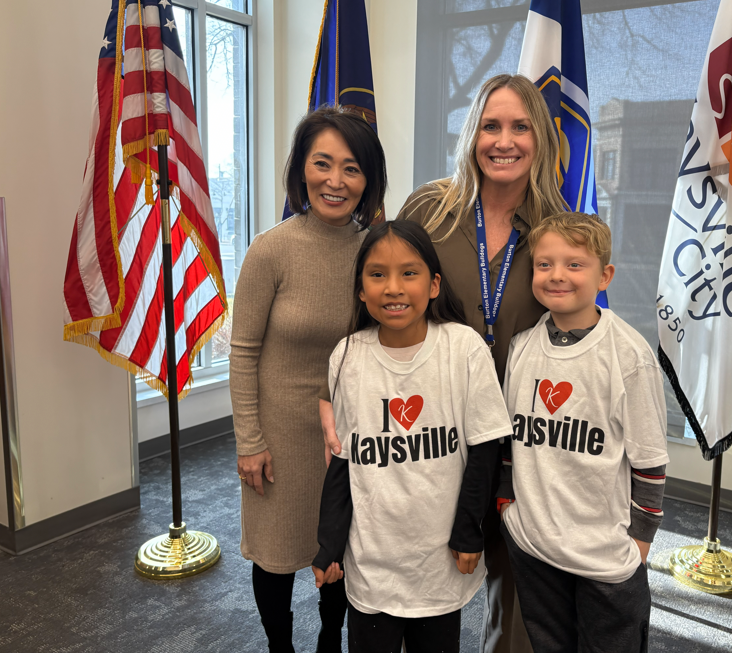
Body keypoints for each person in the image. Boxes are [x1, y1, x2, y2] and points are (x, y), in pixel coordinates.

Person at [321, 73, 565, 653]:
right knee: (429, 573)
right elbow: (381, 288)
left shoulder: (555, 226)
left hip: (528, 431)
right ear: (471, 135)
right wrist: (333, 394)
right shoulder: (432, 207)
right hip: (430, 437)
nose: (503, 141)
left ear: (540, 138)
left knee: (517, 591)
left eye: (520, 127)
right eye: (490, 125)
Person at [312, 220, 512, 653]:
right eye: (377, 274)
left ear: (434, 284)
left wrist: (468, 533)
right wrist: (329, 543)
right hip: (372, 563)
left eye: (410, 273)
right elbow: (344, 463)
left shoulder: (463, 349)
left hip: (437, 562)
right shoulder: (346, 356)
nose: (393, 288)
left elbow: (484, 451)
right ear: (361, 290)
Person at [230, 105, 387, 652]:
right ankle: (280, 647)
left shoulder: (375, 251)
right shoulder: (270, 250)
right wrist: (249, 441)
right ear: (302, 170)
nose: (335, 181)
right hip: (277, 440)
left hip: (349, 434)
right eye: (323, 164)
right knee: (275, 560)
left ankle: (328, 637)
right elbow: (243, 351)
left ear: (368, 179)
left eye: (352, 168)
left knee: (341, 553)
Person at [499, 212, 669, 653]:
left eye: (575, 264)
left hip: (605, 556)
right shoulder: (521, 347)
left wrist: (639, 544)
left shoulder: (629, 356)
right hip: (534, 544)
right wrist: (506, 508)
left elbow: (650, 460)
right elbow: (508, 443)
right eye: (544, 264)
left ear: (604, 275)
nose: (557, 275)